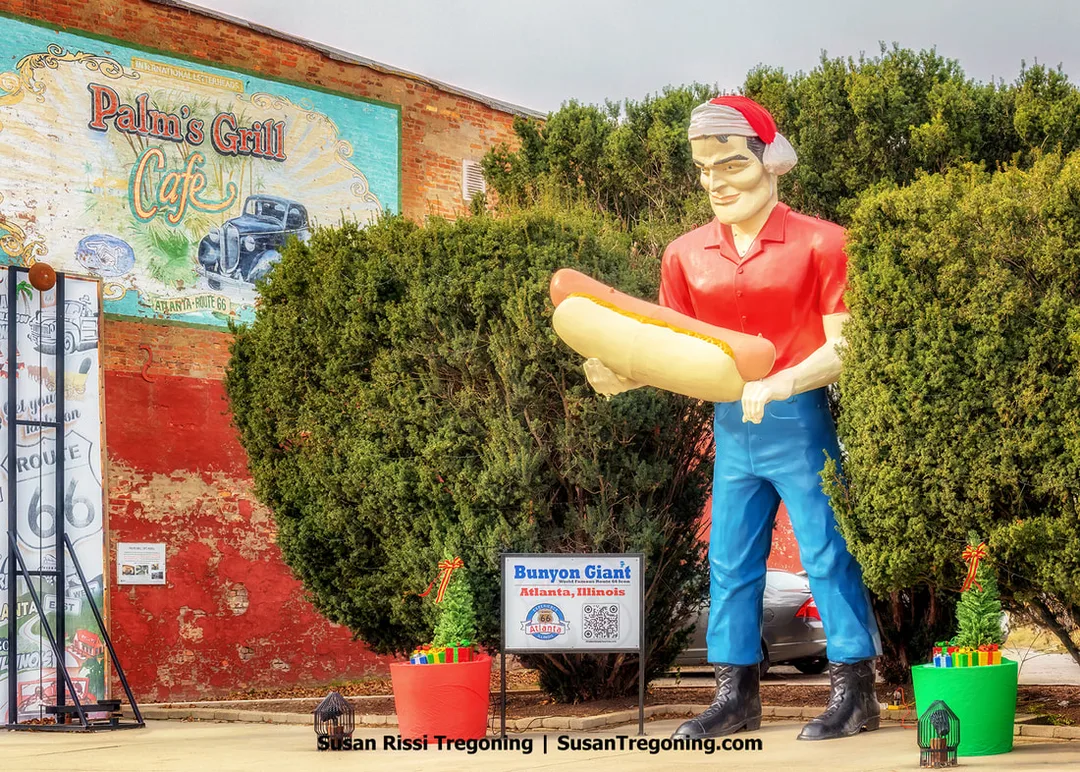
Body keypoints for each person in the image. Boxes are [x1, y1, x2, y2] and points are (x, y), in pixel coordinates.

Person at [584, 95, 882, 741]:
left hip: (800, 419)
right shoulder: (685, 254)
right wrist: (621, 371)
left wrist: (784, 380)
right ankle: (734, 694)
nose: (716, 182)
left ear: (772, 162)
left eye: (732, 166)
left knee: (828, 554)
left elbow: (848, 342)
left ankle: (855, 690)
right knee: (729, 561)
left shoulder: (823, 242)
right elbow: (673, 348)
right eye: (702, 168)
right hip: (733, 426)